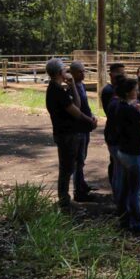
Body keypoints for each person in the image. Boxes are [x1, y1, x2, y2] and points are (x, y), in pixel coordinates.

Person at [45, 58, 98, 208]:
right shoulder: (57, 91)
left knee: (69, 167)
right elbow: (77, 112)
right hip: (66, 134)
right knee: (66, 169)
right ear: (60, 72)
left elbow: (77, 104)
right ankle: (64, 201)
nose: (66, 72)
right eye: (64, 70)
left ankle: (66, 199)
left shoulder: (58, 89)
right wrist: (90, 121)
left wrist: (72, 85)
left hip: (67, 133)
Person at [114, 77, 140, 234]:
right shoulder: (130, 110)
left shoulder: (119, 106)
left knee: (125, 188)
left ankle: (124, 220)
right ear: (128, 92)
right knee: (135, 192)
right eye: (135, 89)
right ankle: (138, 225)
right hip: (134, 154)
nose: (138, 91)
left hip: (123, 151)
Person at [70, 61, 96, 194]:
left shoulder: (82, 85)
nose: (83, 73)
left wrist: (92, 115)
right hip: (78, 128)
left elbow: (85, 105)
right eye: (80, 71)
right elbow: (77, 110)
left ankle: (82, 183)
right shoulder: (71, 89)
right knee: (78, 160)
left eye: (84, 71)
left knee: (82, 157)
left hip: (85, 127)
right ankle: (77, 190)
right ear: (72, 73)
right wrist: (89, 119)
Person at [101, 63, 125, 199]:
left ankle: (118, 193)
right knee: (117, 165)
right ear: (111, 75)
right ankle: (117, 194)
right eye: (119, 75)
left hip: (115, 133)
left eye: (123, 74)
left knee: (117, 164)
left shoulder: (116, 91)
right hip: (115, 134)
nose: (122, 77)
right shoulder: (110, 92)